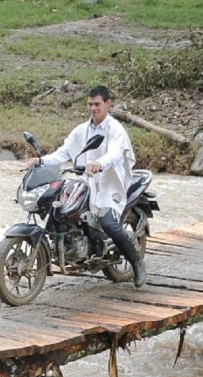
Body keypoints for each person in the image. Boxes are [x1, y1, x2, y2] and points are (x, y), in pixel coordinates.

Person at [24, 85, 147, 287]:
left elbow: (115, 153)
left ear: (108, 104)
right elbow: (63, 153)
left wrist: (100, 163)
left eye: (97, 104)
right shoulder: (82, 130)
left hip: (110, 185)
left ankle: (137, 263)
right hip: (87, 181)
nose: (93, 108)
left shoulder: (115, 129)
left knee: (108, 223)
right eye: (90, 104)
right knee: (63, 209)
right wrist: (40, 161)